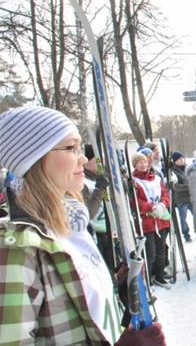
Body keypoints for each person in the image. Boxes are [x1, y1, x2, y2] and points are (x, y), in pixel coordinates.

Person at [0, 106, 164, 345]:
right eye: (70, 148)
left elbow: (86, 322)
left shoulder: (71, 226)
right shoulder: (16, 251)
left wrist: (116, 289)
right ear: (34, 158)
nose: (84, 159)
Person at [131, 152, 172, 289]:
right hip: (147, 223)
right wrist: (151, 207)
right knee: (150, 254)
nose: (143, 164)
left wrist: (162, 204)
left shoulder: (155, 178)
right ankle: (147, 279)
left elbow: (165, 193)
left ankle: (159, 275)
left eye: (144, 162)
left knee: (161, 251)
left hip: (161, 220)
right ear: (135, 165)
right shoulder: (134, 181)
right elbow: (135, 201)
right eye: (139, 163)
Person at [82, 144, 116, 269]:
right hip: (97, 234)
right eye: (96, 159)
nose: (100, 162)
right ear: (86, 161)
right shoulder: (83, 183)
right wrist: (99, 189)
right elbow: (88, 213)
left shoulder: (105, 177)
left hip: (112, 231)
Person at [171, 151, 193, 242]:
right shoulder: (172, 171)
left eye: (182, 158)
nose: (182, 160)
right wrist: (190, 186)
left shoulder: (186, 169)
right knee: (183, 219)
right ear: (175, 161)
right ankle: (186, 234)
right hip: (181, 199)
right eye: (179, 159)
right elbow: (176, 187)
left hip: (190, 197)